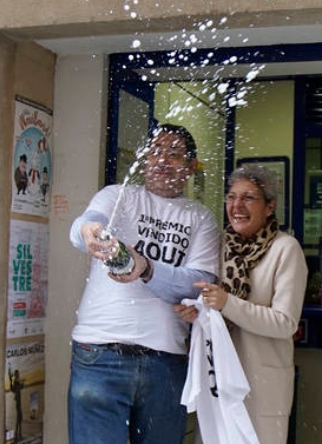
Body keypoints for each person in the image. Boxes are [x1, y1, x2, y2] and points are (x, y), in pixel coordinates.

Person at [67, 123, 220, 444]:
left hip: (166, 360)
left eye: (174, 154)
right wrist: (86, 231)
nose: (162, 160)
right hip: (99, 354)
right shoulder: (117, 196)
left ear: (191, 167)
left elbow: (199, 283)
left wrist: (146, 268)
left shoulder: (200, 218)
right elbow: (86, 225)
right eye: (156, 152)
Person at [176, 164, 308, 444]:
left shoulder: (286, 249)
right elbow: (210, 304)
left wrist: (227, 303)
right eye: (231, 197)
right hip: (218, 380)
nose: (237, 206)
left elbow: (285, 323)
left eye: (248, 198)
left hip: (262, 385)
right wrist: (196, 312)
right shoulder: (218, 245)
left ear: (270, 207)